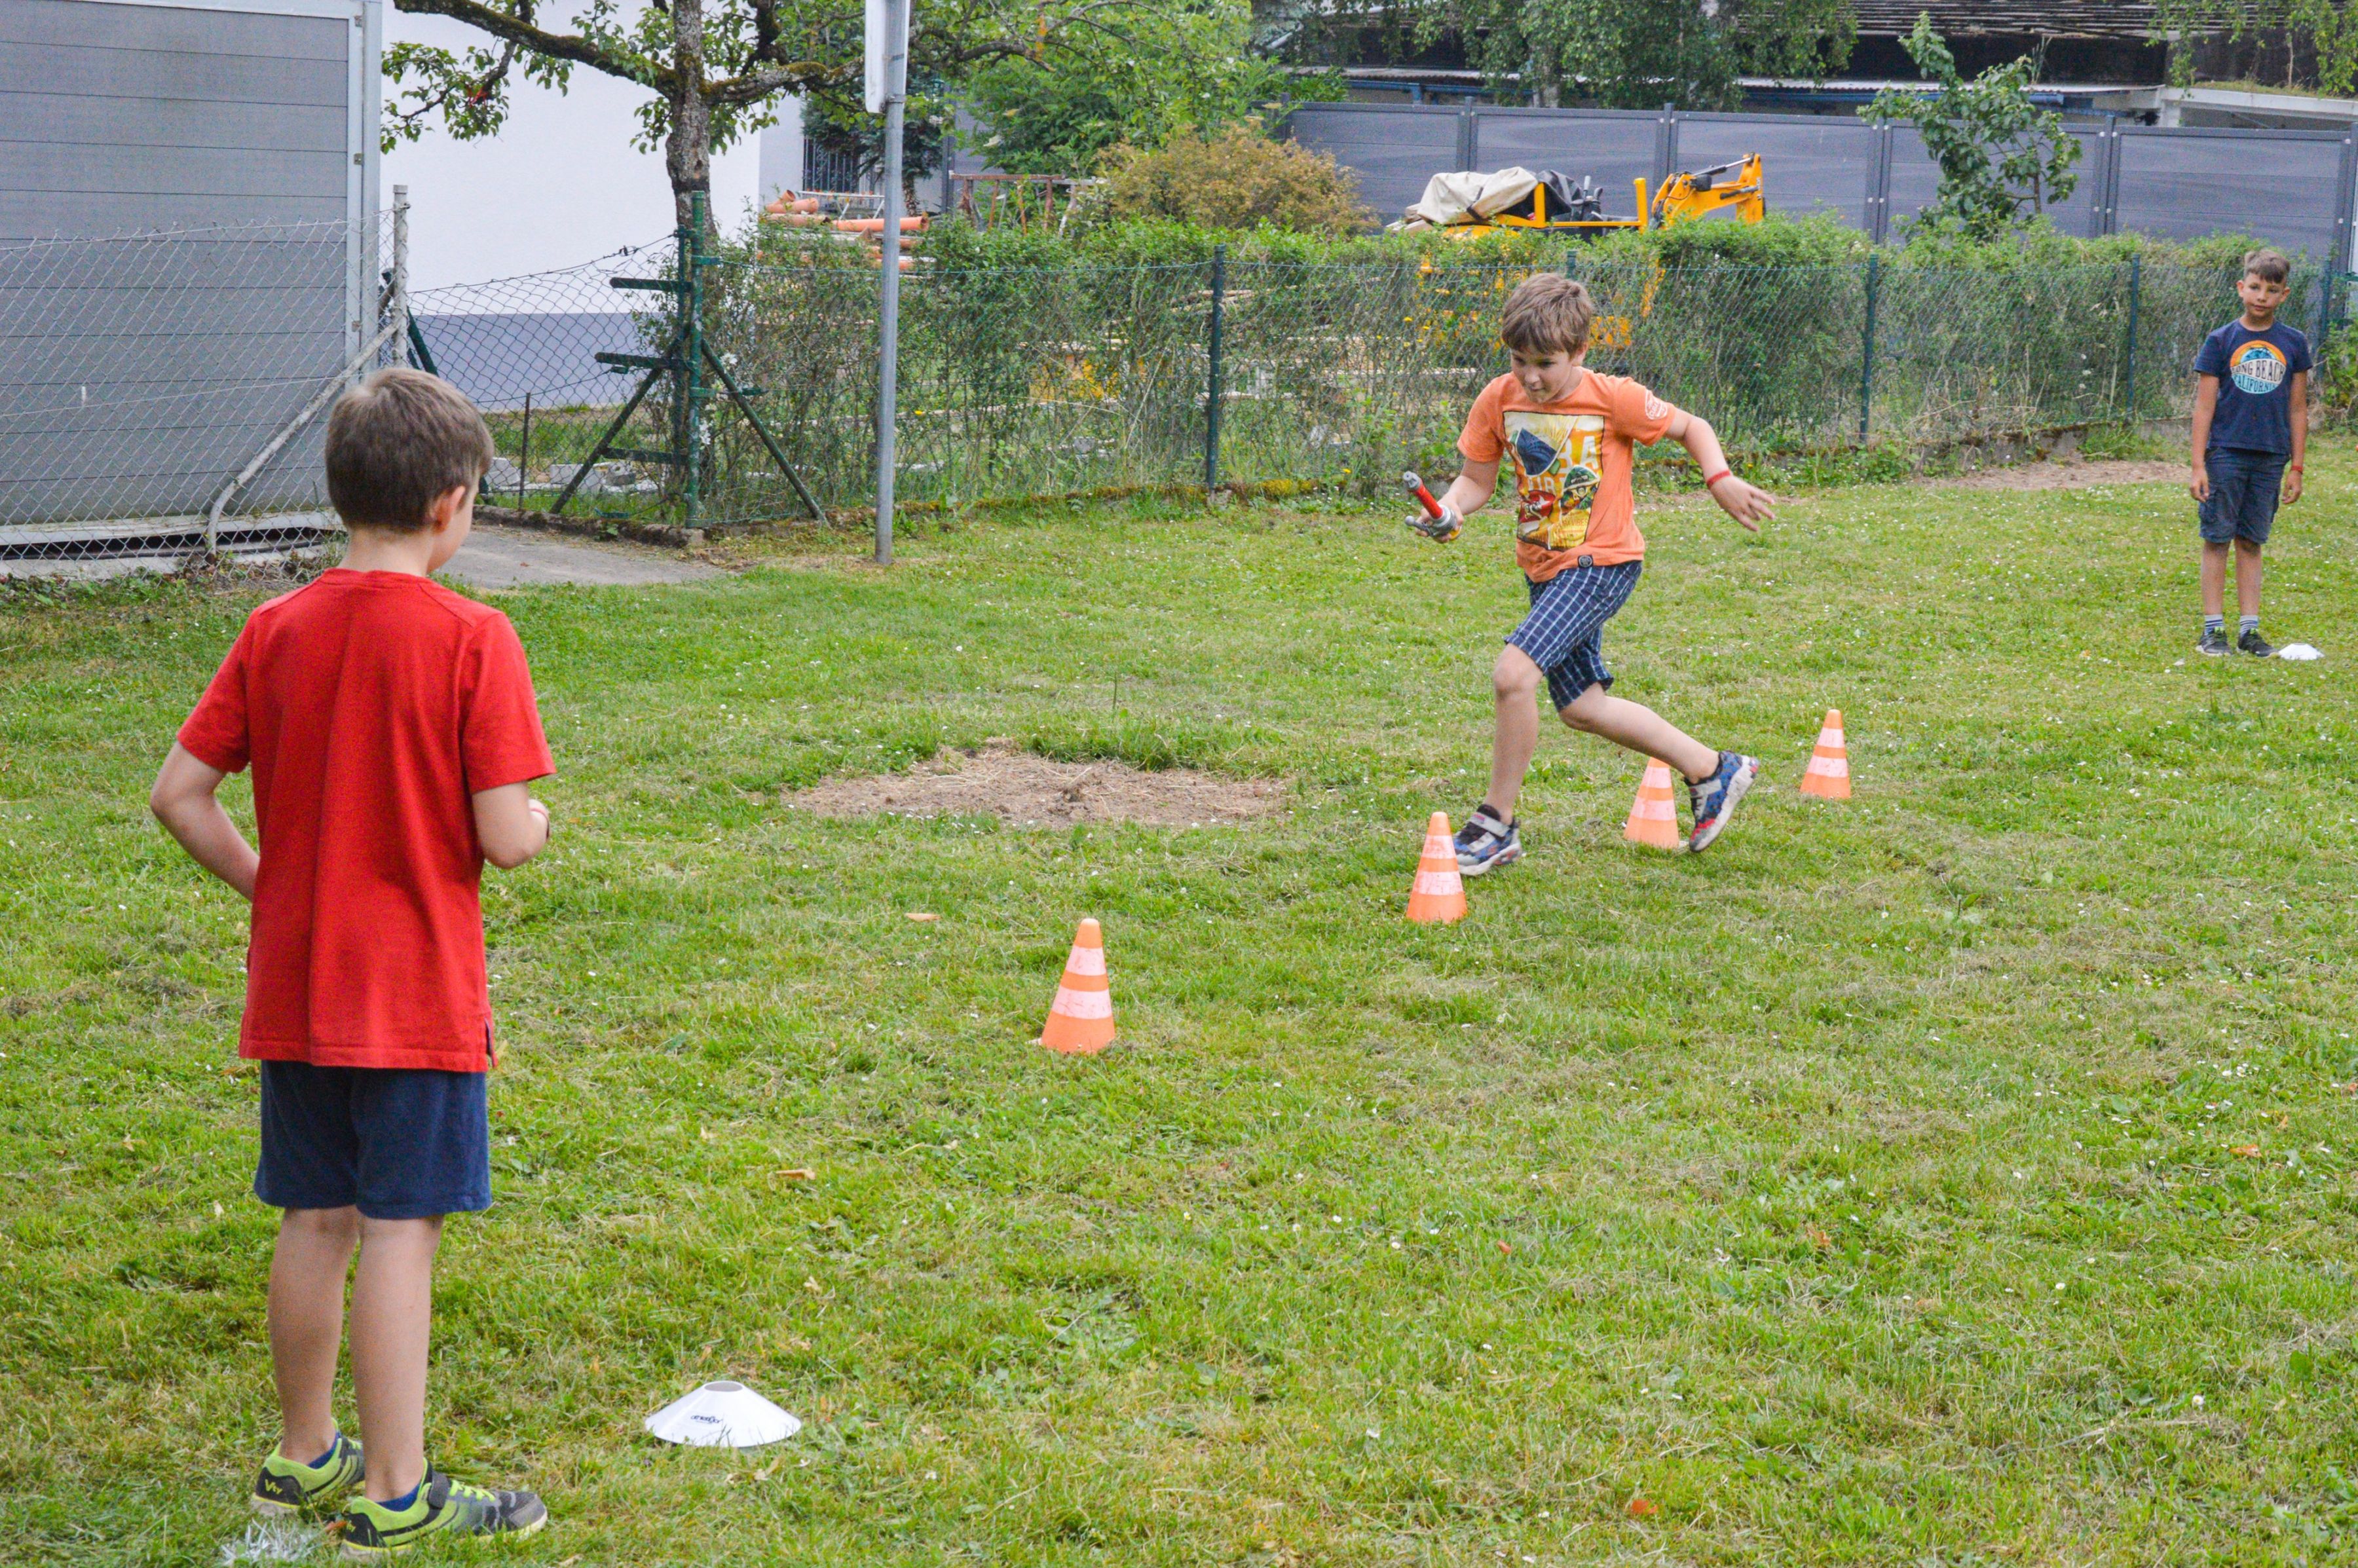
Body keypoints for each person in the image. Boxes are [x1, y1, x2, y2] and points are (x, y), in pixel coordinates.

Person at [148, 368, 554, 1556]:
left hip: (302, 988)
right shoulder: (475, 637)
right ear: (450, 501)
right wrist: (537, 822)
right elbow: (504, 835)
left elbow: (180, 795)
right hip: (417, 997)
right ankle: (396, 1483)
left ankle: (303, 1450)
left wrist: (274, 888)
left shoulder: (274, 629)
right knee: (402, 1227)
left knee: (315, 1216)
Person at [1408, 272, 1777, 870]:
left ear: (1579, 351)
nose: (1530, 377)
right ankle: (1713, 769)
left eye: (1545, 364)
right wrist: (1449, 510)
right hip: (1544, 569)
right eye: (1519, 360)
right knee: (1582, 707)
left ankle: (1496, 825)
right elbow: (1476, 481)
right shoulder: (1498, 398)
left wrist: (1719, 478)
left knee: (1512, 676)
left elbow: (1691, 427)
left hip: (1600, 564)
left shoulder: (1614, 397)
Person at [2189, 247, 2309, 658]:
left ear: (2284, 295)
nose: (2262, 296)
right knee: (2217, 538)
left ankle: (2249, 631)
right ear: (2241, 288)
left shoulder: (2294, 343)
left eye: (2272, 290)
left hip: (2271, 457)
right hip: (2225, 454)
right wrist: (2198, 464)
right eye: (2255, 287)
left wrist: (2297, 467)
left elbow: (2298, 409)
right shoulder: (2221, 341)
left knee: (2252, 541)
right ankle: (2213, 631)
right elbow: (2204, 407)